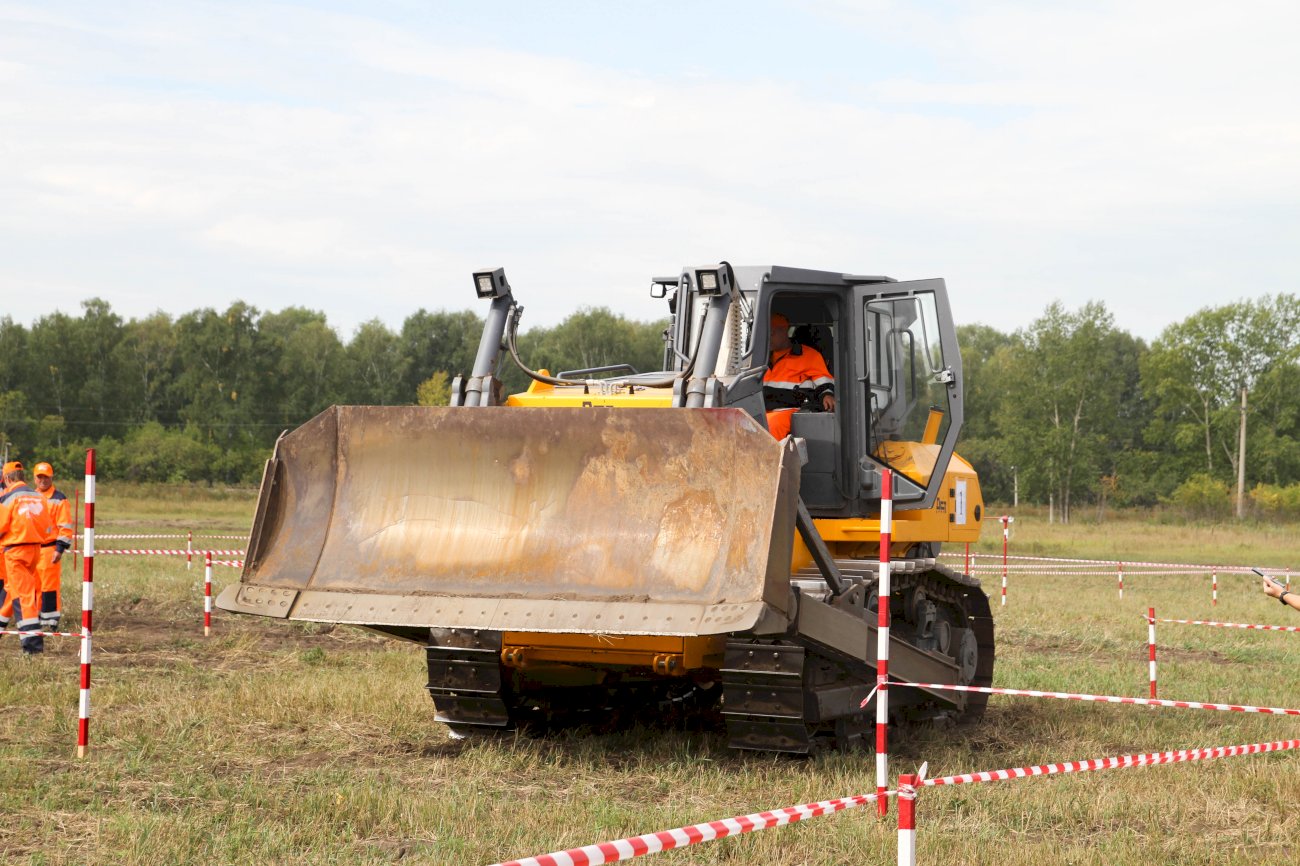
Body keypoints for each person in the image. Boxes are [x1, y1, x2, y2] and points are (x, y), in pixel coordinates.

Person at [0, 461, 59, 655]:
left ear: (8, 479)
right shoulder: (38, 497)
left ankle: (32, 646)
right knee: (13, 591)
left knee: (22, 597)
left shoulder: (9, 497)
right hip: (36, 551)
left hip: (15, 552)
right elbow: (48, 527)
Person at [763, 313, 835, 440]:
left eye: (771, 333)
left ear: (784, 330)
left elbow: (823, 379)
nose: (768, 338)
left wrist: (827, 395)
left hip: (790, 409)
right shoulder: (760, 357)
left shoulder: (809, 355)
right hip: (761, 408)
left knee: (771, 425)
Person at [33, 462, 73, 634]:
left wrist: (60, 548)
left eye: (46, 477)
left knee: (49, 587)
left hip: (50, 549)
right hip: (31, 549)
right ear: (34, 478)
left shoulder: (59, 498)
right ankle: (33, 620)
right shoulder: (29, 496)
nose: (43, 480)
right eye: (40, 477)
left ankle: (50, 622)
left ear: (51, 477)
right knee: (33, 587)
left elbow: (65, 526)